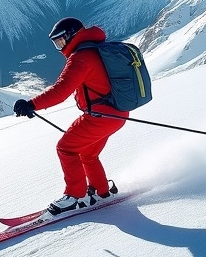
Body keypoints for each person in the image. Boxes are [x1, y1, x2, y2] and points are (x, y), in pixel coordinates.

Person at [13, 17, 125, 216]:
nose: (59, 47)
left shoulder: (81, 57)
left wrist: (31, 104)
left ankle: (75, 197)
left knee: (66, 148)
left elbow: (61, 91)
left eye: (60, 41)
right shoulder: (97, 48)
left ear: (71, 35)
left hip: (100, 116)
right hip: (117, 113)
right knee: (87, 154)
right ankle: (101, 192)